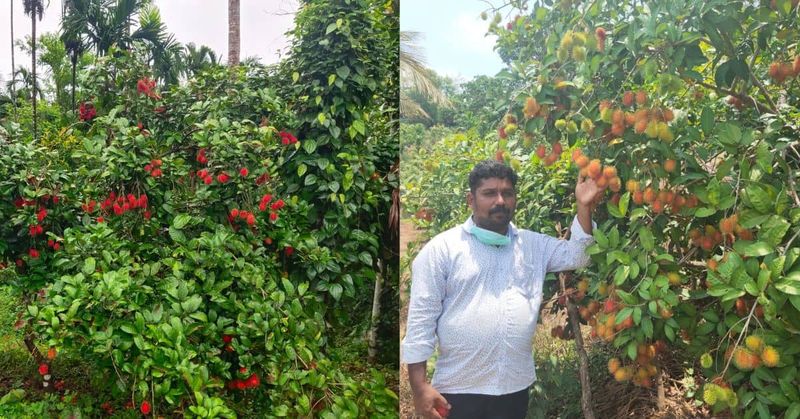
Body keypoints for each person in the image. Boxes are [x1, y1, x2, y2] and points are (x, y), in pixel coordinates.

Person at [402, 159, 602, 418]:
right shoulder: (443, 249)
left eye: (507, 193)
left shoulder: (532, 245)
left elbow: (579, 256)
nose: (500, 201)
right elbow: (421, 321)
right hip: (457, 391)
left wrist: (584, 206)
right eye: (489, 193)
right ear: (470, 199)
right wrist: (419, 388)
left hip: (514, 388)